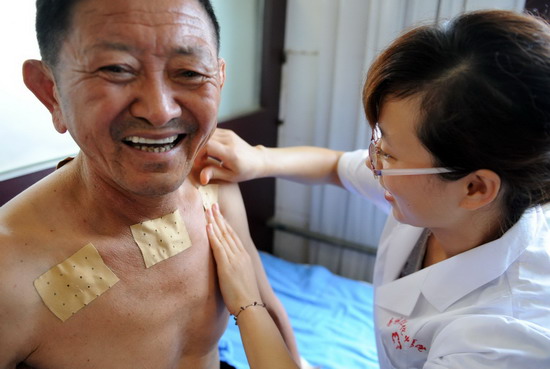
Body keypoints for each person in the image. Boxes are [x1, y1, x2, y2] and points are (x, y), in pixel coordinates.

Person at [201, 9, 550, 369]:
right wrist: (257, 159)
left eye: (390, 154)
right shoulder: (438, 195)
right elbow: (334, 166)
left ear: (475, 188)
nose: (373, 162)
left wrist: (247, 301)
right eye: (378, 141)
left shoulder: (507, 340)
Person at [0, 0, 300, 368]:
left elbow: (263, 302)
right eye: (116, 70)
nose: (160, 111)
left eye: (189, 72)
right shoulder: (10, 269)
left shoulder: (212, 189)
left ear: (219, 79)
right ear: (51, 92)